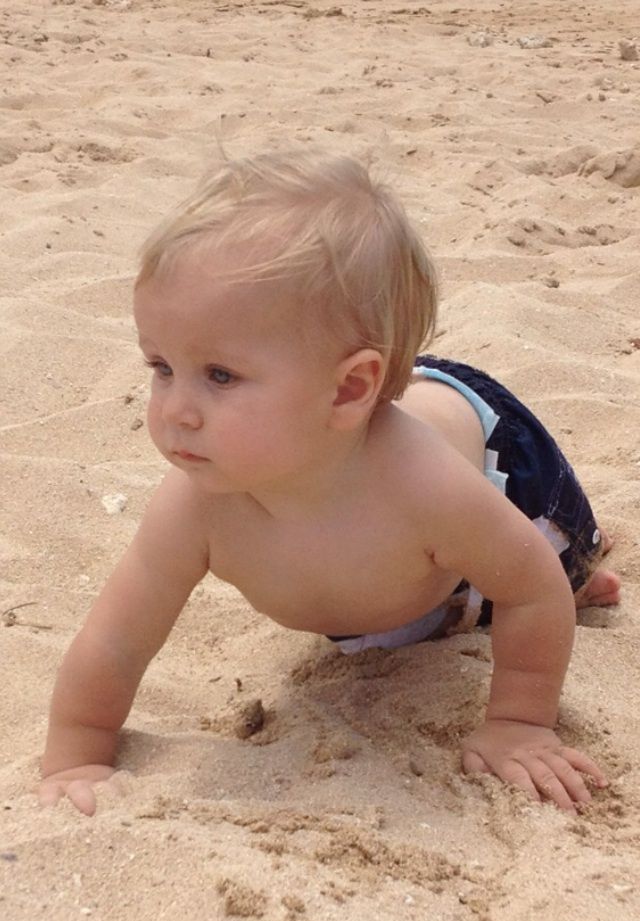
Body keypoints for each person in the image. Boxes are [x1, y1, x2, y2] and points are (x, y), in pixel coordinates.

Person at [39, 149, 620, 817]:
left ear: (347, 390)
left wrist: (519, 723)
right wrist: (78, 752)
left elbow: (530, 588)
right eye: (162, 368)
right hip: (377, 550)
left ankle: (582, 573)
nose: (176, 410)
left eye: (220, 376)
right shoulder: (196, 505)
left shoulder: (424, 485)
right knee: (405, 610)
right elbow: (116, 639)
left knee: (543, 563)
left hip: (494, 457)